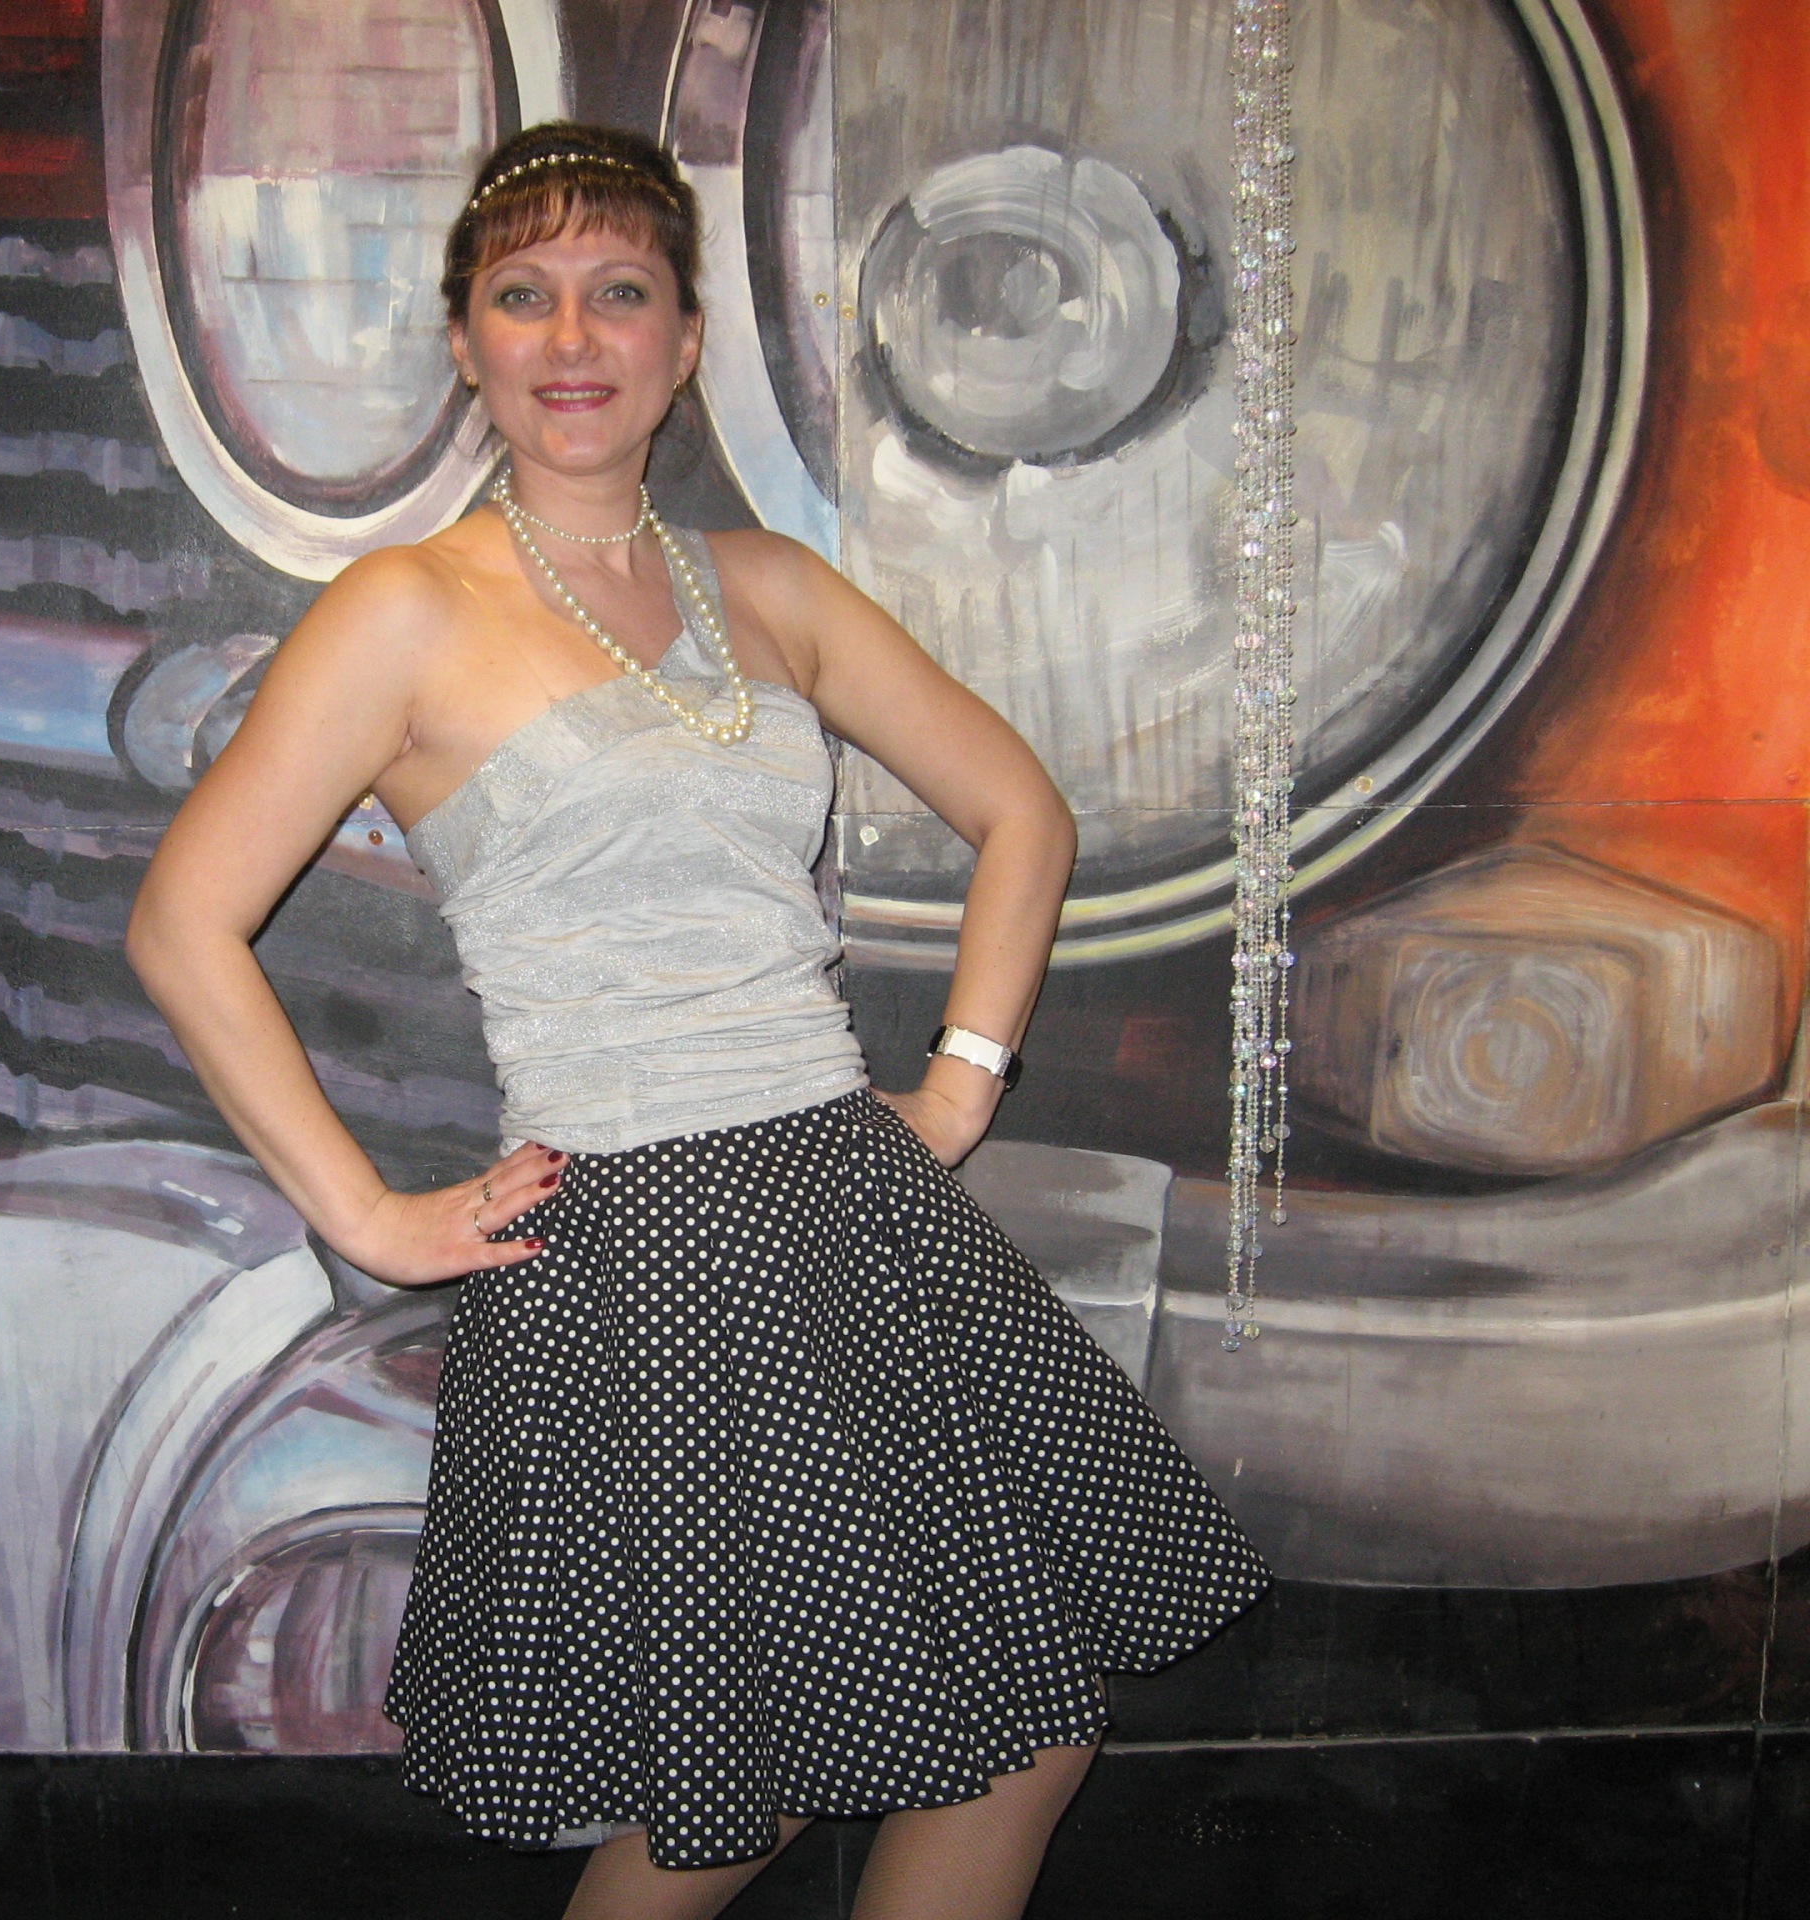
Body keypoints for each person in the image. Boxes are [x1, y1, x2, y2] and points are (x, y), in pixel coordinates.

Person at [128, 121, 1267, 1920]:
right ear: (466, 344)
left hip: (846, 1211)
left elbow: (1020, 812)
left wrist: (958, 1091)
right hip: (640, 1246)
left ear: (683, 344)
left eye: (620, 293)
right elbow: (185, 922)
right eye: (524, 296)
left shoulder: (773, 592)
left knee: (1001, 1732)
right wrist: (370, 1217)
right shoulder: (403, 611)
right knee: (734, 1794)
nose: (573, 337)